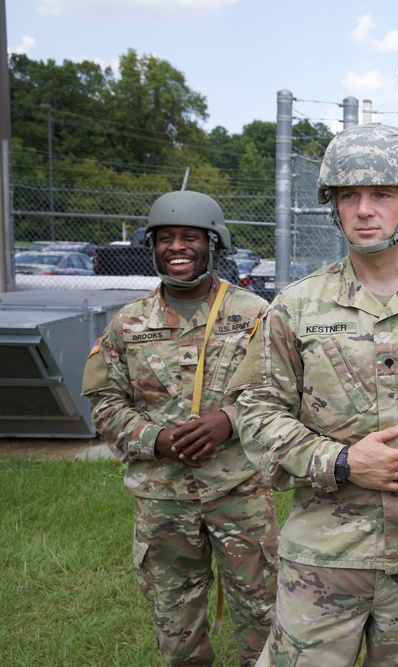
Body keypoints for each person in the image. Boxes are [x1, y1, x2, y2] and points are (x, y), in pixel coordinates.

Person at [229, 123, 398, 667]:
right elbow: (256, 411)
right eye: (349, 196)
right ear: (334, 206)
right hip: (324, 555)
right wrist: (340, 461)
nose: (364, 210)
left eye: (381, 194)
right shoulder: (296, 307)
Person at [82, 190, 279, 667]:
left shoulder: (255, 315)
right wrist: (156, 439)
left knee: (265, 615)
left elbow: (280, 389)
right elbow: (104, 401)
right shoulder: (127, 323)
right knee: (176, 626)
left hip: (240, 493)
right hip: (162, 500)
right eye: (165, 239)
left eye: (189, 237)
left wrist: (228, 421)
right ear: (152, 247)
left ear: (214, 243)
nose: (177, 247)